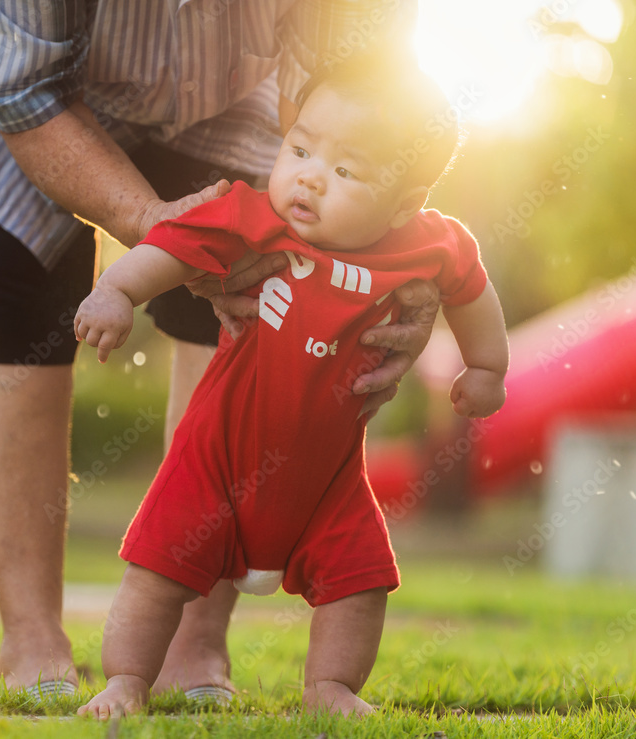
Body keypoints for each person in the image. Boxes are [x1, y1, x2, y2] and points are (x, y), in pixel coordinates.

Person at [0, 0, 437, 700]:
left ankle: (192, 644)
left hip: (229, 82)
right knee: (17, 303)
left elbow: (369, 95)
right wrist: (158, 232)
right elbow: (21, 89)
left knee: (252, 297)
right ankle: (31, 638)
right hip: (15, 74)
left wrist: (394, 271)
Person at [73, 51, 509, 718]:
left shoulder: (428, 245)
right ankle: (126, 680)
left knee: (361, 582)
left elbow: (472, 290)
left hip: (329, 481)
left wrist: (487, 366)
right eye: (300, 148)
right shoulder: (252, 218)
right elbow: (169, 244)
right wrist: (115, 291)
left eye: (344, 170)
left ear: (405, 204)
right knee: (156, 573)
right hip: (216, 462)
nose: (309, 177)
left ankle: (330, 688)